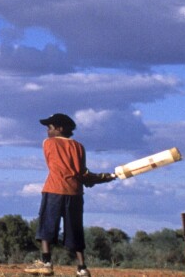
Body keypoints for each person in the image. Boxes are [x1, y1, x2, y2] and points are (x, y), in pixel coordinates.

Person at [23, 113, 116, 277]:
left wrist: (96, 178)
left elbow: (61, 165)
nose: (47, 131)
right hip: (75, 193)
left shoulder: (48, 143)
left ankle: (46, 262)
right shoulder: (79, 147)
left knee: (47, 226)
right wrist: (103, 177)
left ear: (60, 128)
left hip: (54, 190)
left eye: (50, 127)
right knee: (75, 229)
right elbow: (82, 174)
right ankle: (82, 268)